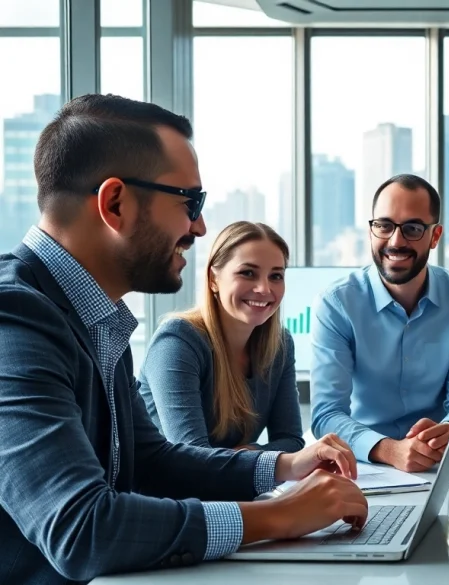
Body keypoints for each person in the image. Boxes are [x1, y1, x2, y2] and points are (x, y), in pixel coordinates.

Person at [0, 94, 366, 584]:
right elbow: (81, 529)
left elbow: (152, 461)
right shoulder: (15, 318)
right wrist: (280, 517)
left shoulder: (95, 318)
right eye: (189, 202)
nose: (199, 226)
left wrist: (284, 466)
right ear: (115, 203)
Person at [311, 174, 449, 472]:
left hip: (439, 461)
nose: (396, 241)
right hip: (364, 462)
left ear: (435, 236)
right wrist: (388, 449)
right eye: (384, 225)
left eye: (413, 228)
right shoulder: (337, 303)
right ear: (371, 230)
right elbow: (326, 413)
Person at [138, 221, 304, 452]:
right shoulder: (177, 342)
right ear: (213, 279)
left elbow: (292, 442)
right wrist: (249, 458)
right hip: (162, 488)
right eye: (248, 273)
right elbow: (193, 458)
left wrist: (246, 454)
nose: (264, 289)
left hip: (237, 487)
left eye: (276, 276)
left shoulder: (280, 345)